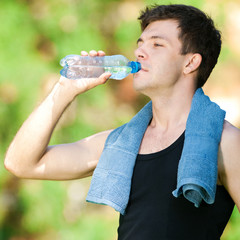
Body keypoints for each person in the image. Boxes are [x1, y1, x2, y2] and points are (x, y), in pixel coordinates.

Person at [4, 4, 240, 239]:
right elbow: (21, 163)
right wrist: (65, 89)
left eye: (157, 44)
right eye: (140, 44)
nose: (139, 52)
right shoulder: (119, 143)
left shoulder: (224, 142)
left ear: (190, 63)